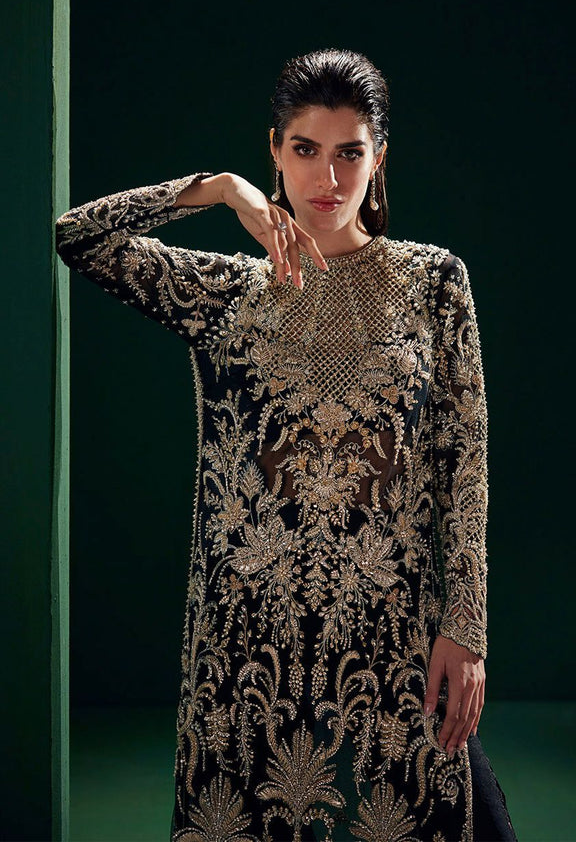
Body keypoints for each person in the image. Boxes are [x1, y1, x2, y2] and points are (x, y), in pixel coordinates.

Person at [55, 48, 518, 842]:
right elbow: (79, 235)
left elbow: (463, 464)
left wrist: (466, 627)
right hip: (249, 644)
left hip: (393, 625)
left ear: (379, 159)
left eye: (350, 153)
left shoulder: (434, 283)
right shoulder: (224, 293)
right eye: (304, 149)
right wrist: (220, 190)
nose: (327, 178)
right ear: (274, 150)